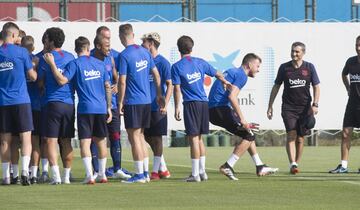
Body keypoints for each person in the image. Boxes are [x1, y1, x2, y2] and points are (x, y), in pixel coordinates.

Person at [45, 36, 112, 184]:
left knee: (85, 142)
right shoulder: (100, 64)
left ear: (76, 50)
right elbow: (108, 86)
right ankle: (102, 174)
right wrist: (108, 107)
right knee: (101, 141)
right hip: (101, 108)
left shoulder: (75, 64)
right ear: (88, 48)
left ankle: (89, 175)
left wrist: (52, 64)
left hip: (85, 108)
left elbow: (62, 80)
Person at [208, 53, 278, 180]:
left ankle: (259, 166)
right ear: (249, 65)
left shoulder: (232, 71)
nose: (258, 69)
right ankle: (228, 166)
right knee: (249, 135)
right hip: (219, 109)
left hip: (214, 110)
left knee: (248, 132)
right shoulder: (241, 75)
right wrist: (242, 119)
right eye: (257, 66)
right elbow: (232, 97)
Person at [172, 35, 230, 182]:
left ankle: (195, 174)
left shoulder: (177, 67)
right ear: (192, 48)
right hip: (204, 103)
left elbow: (177, 89)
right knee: (199, 139)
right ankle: (203, 172)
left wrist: (177, 107)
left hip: (191, 104)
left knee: (193, 139)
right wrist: (224, 81)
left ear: (179, 49)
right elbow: (217, 73)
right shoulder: (200, 62)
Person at [118, 23, 164, 183]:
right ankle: (144, 173)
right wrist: (159, 94)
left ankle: (139, 174)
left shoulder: (124, 55)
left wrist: (120, 102)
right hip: (146, 102)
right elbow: (157, 75)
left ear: (121, 36)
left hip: (133, 101)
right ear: (132, 34)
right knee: (141, 136)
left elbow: (122, 82)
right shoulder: (145, 52)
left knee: (134, 137)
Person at [267, 42, 320, 174]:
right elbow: (276, 86)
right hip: (288, 108)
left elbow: (316, 86)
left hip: (305, 109)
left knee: (301, 138)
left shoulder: (309, 67)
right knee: (291, 134)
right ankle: (292, 163)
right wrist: (270, 105)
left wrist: (315, 104)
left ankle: (297, 163)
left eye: (297, 51)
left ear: (303, 53)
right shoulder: (284, 68)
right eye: (292, 51)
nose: (294, 54)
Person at [90, 26, 131, 180]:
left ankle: (117, 168)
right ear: (98, 39)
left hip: (112, 104)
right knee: (96, 138)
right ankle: (96, 171)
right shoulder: (91, 56)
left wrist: (116, 85)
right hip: (97, 105)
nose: (108, 41)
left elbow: (120, 76)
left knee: (115, 136)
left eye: (109, 38)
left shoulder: (113, 56)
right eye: (105, 38)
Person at [0, 22, 37, 185]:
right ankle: (24, 173)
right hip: (21, 100)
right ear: (14, 35)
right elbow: (33, 76)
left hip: (3, 101)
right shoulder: (22, 52)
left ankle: (7, 177)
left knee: (5, 140)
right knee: (26, 138)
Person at [38, 27, 75, 184]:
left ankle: (56, 177)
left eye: (46, 38)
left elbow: (40, 82)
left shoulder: (46, 58)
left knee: (50, 140)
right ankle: (67, 177)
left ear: (51, 41)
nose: (45, 41)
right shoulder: (70, 57)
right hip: (69, 104)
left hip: (52, 103)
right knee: (66, 141)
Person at [141, 32, 172, 180]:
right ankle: (163, 167)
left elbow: (170, 84)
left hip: (157, 106)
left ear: (151, 44)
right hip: (144, 106)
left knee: (157, 138)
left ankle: (154, 172)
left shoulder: (163, 62)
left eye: (144, 42)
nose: (142, 44)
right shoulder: (143, 61)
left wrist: (165, 104)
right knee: (146, 136)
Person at [329, 35, 360, 174]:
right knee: (346, 133)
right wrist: (348, 88)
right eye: (357, 45)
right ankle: (344, 166)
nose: (358, 48)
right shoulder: (351, 61)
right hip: (352, 104)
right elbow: (344, 75)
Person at [21, 35, 41, 184]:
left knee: (15, 141)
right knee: (35, 141)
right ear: (33, 47)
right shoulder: (37, 61)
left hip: (19, 104)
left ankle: (14, 171)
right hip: (35, 105)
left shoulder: (19, 58)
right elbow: (40, 81)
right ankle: (34, 173)